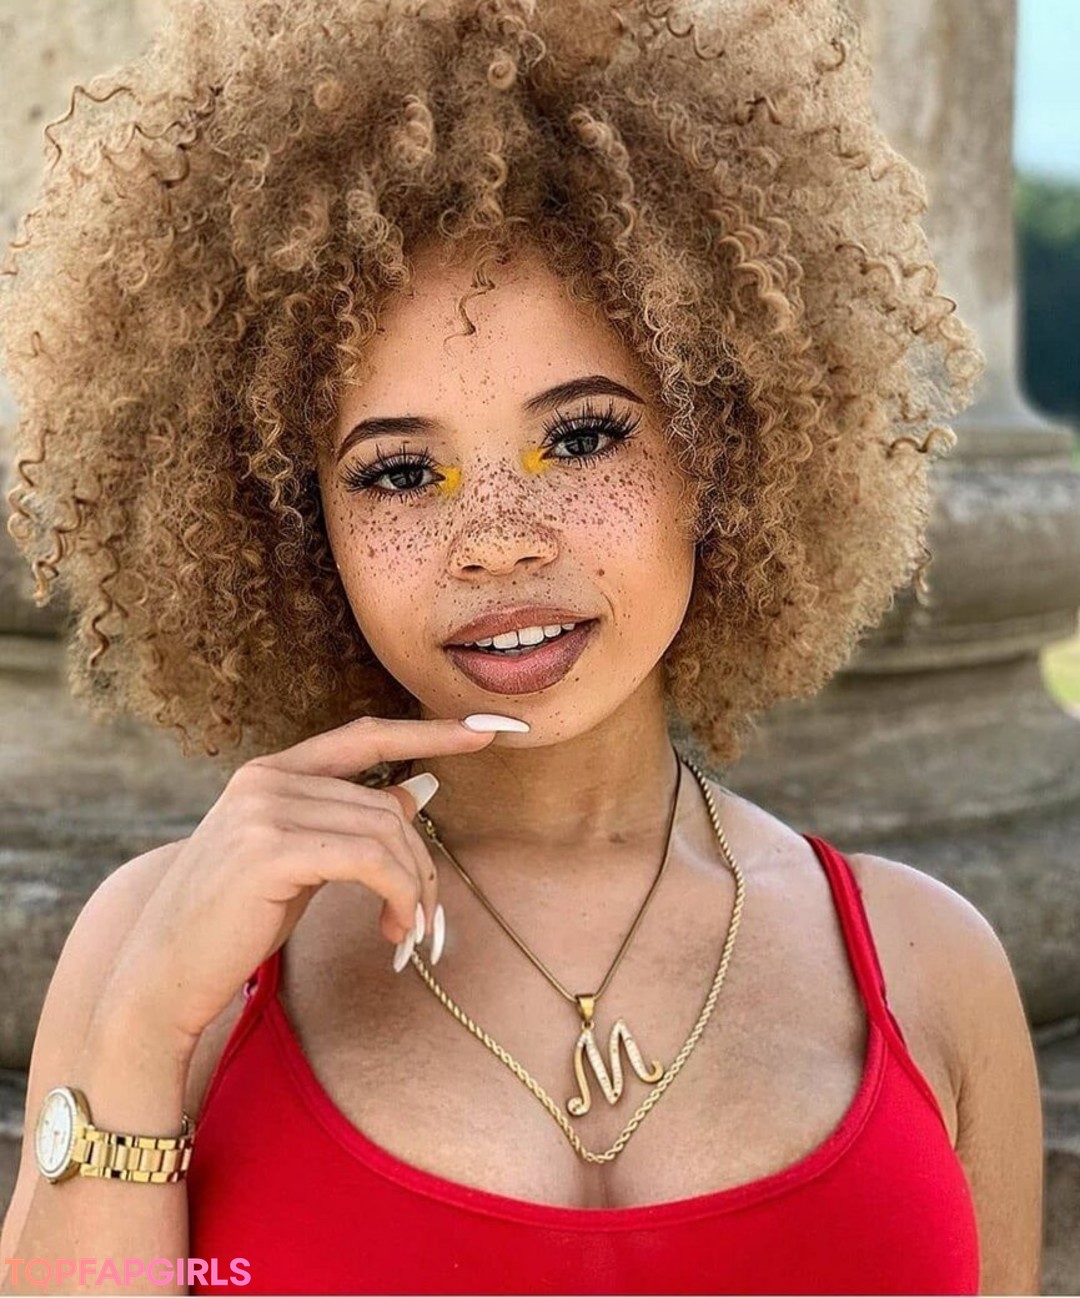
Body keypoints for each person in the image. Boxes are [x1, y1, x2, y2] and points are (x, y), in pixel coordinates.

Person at [0, 0, 1043, 1294]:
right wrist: (143, 1029)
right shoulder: (161, 941)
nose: (496, 540)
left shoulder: (933, 967)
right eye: (399, 471)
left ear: (722, 448)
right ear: (289, 520)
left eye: (584, 436)